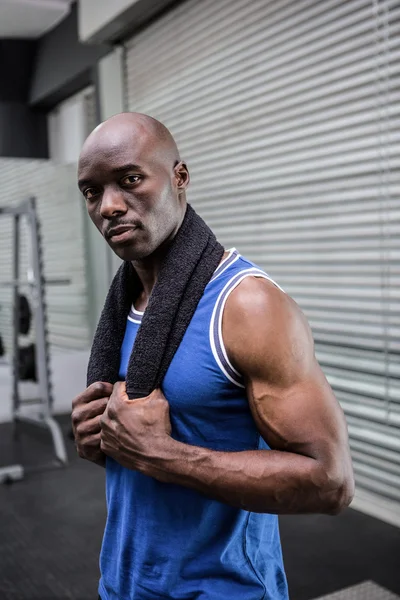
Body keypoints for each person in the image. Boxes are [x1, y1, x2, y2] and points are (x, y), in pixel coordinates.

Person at [72, 112, 354, 600]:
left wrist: (160, 453)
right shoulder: (123, 308)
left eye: (130, 179)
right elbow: (140, 454)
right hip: (122, 584)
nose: (109, 206)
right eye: (92, 192)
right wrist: (103, 436)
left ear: (179, 177)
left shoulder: (248, 306)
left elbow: (331, 482)